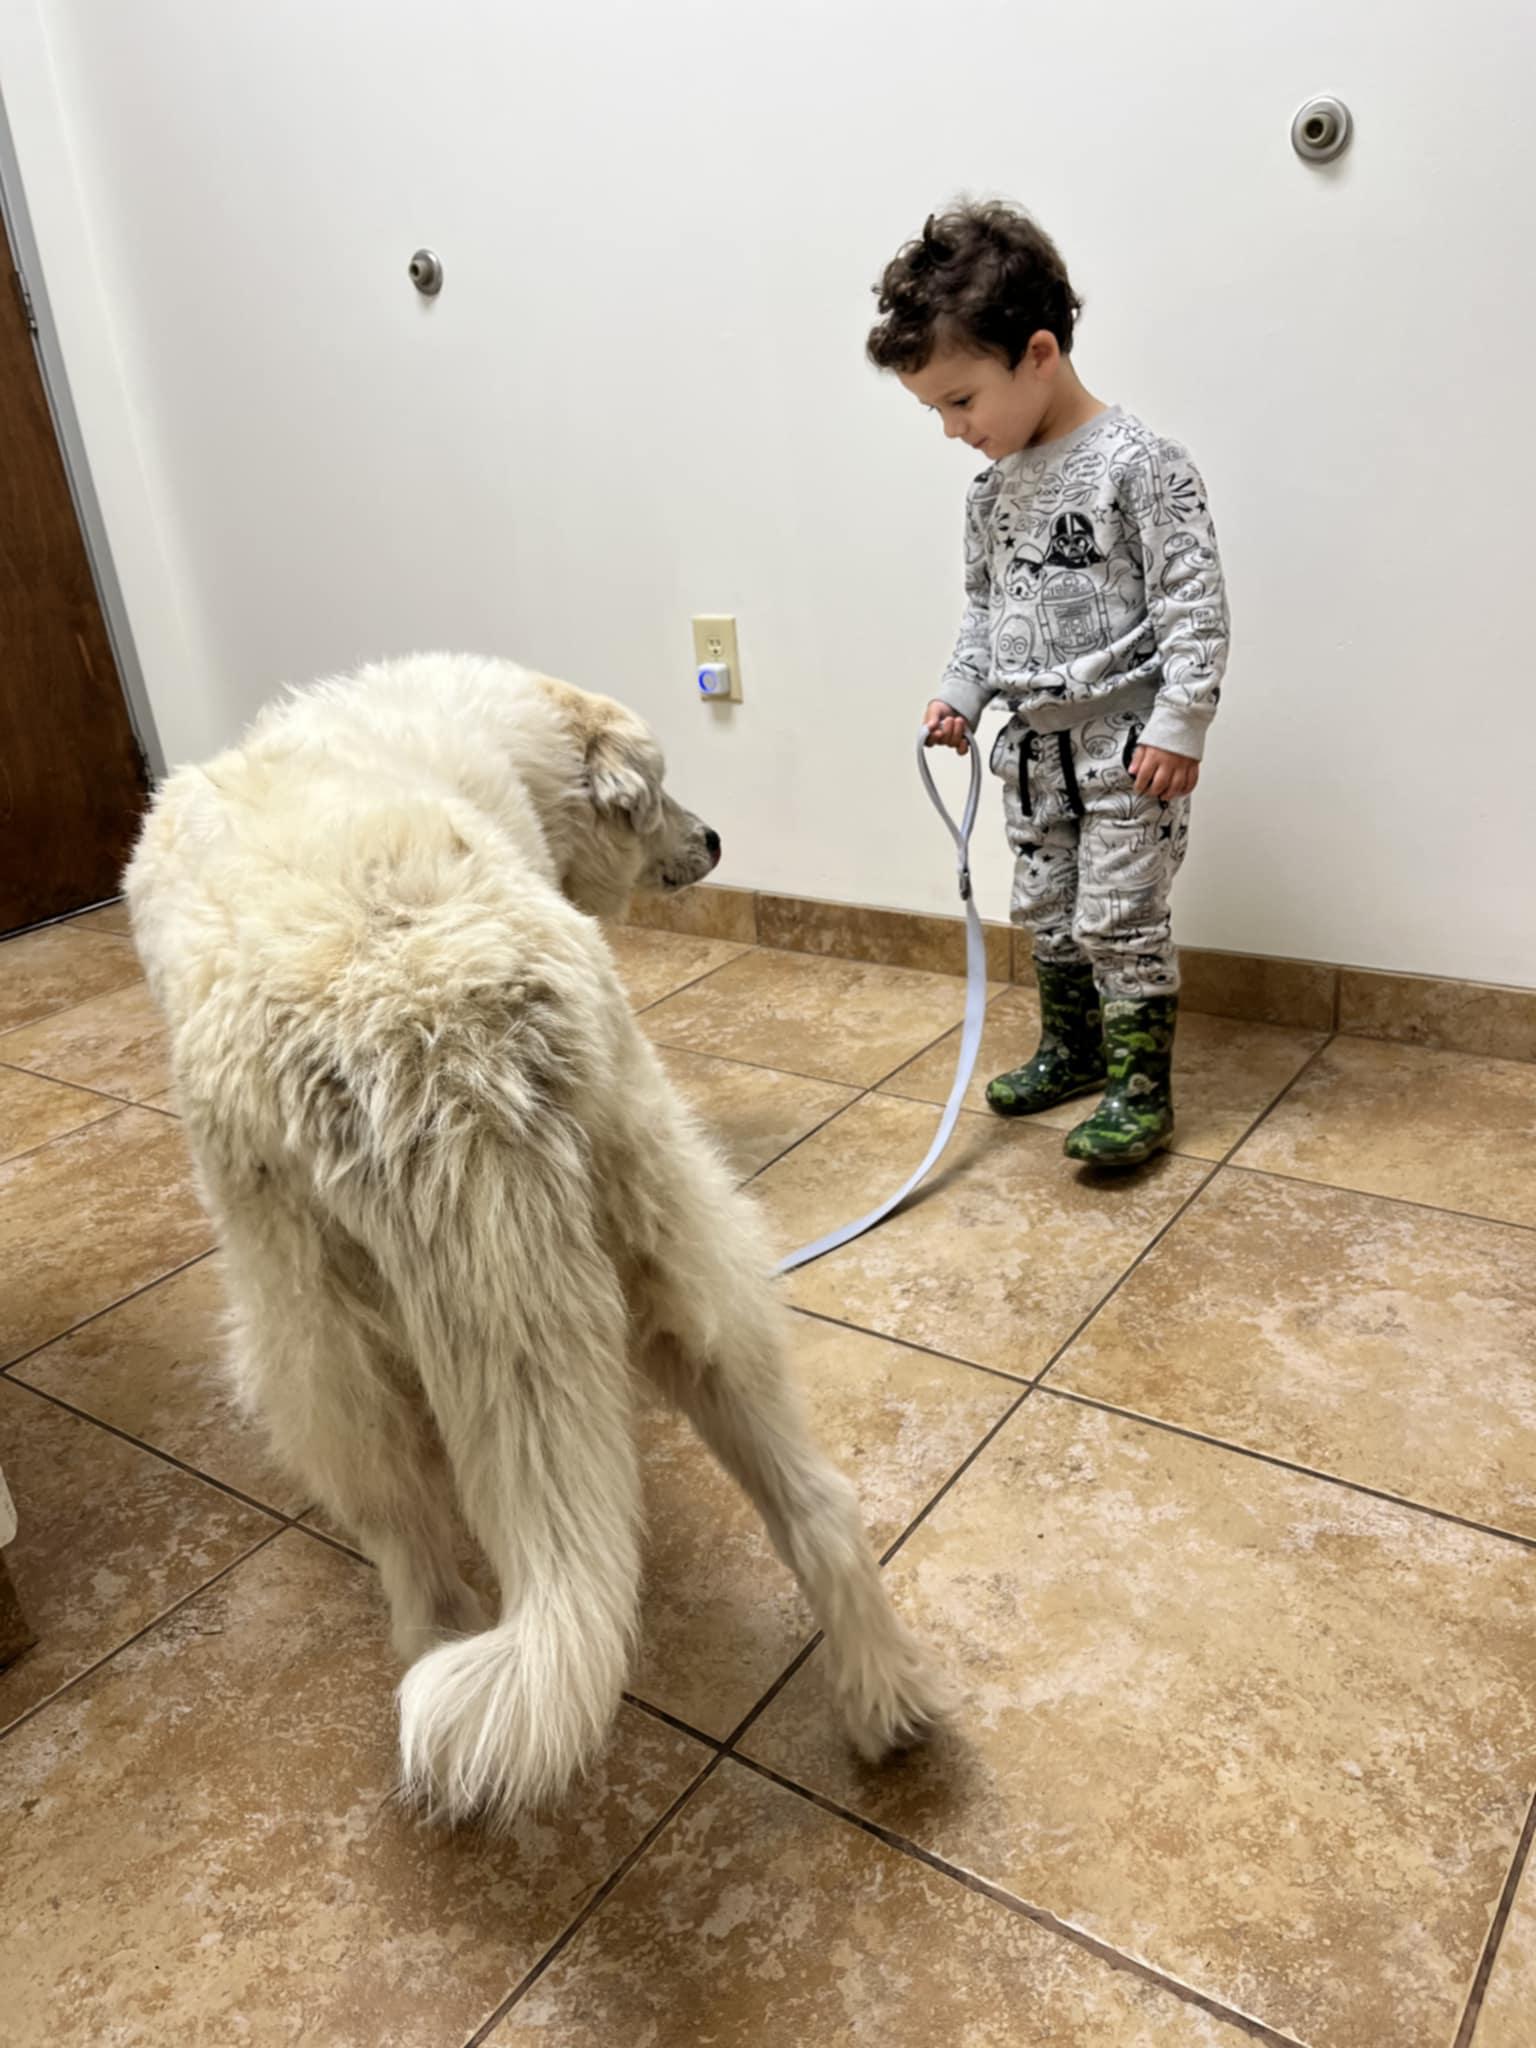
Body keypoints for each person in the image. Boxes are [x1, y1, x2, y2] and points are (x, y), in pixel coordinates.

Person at [867, 200, 1230, 1164]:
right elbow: (987, 612)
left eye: (960, 400)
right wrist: (962, 692)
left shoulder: (1142, 465)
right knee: (1047, 910)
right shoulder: (989, 493)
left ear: (1037, 353)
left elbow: (1194, 604)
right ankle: (1069, 1047)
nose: (951, 429)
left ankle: (1139, 1085)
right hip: (1032, 752)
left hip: (1126, 752)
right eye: (934, 410)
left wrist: (1181, 723)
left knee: (1120, 916)